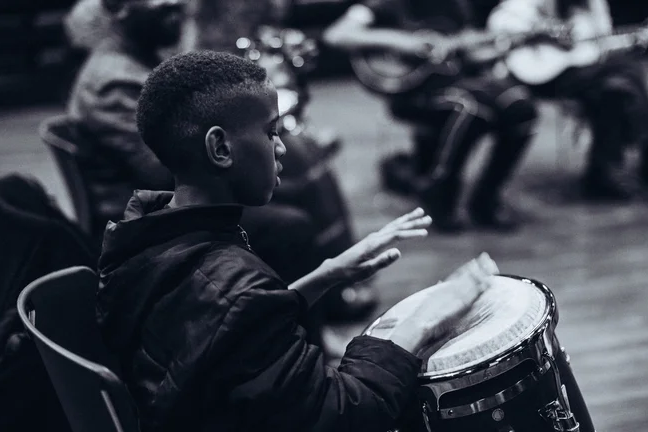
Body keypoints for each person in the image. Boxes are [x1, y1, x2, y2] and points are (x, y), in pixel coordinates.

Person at [96, 49, 489, 431]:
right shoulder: (232, 284)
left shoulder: (144, 229)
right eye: (271, 132)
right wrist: (422, 322)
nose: (281, 147)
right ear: (220, 148)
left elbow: (221, 334)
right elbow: (347, 414)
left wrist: (325, 275)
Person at [64, 0, 376, 321]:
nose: (177, 2)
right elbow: (165, 166)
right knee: (288, 221)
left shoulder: (136, 57)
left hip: (168, 197)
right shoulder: (112, 82)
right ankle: (300, 338)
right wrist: (253, 121)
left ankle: (329, 295)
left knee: (294, 162)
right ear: (119, 10)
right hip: (153, 216)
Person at [324, 0, 539, 232]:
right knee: (467, 109)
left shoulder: (457, 6)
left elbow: (464, 54)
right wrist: (403, 42)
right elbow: (336, 35)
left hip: (456, 82)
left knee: (520, 107)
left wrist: (503, 46)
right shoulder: (384, 4)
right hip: (413, 93)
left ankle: (486, 198)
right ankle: (441, 193)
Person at [487, 0, 648, 199]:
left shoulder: (594, 4)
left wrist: (633, 42)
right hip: (540, 74)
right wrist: (542, 29)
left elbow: (600, 47)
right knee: (626, 68)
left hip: (582, 73)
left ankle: (603, 173)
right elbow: (499, 22)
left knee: (614, 89)